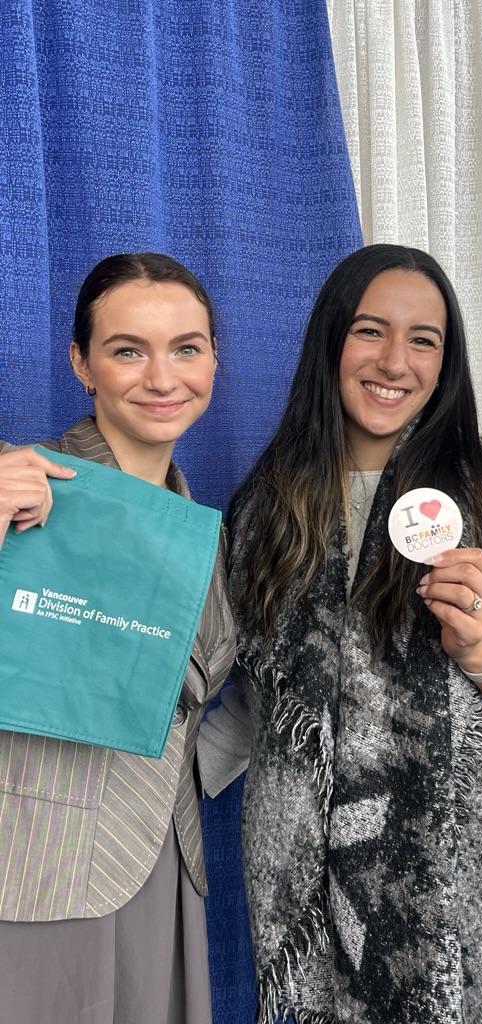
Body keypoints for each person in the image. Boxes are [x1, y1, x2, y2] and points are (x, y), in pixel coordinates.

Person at [198, 243, 482, 1024]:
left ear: (446, 364)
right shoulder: (267, 510)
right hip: (308, 877)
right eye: (371, 331)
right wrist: (146, 784)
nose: (395, 360)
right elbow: (262, 708)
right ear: (331, 343)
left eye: (424, 339)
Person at [0, 252, 235, 1024]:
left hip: (167, 870)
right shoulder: (20, 487)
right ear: (81, 363)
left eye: (187, 348)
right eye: (128, 349)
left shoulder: (210, 534)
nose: (162, 377)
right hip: (43, 873)